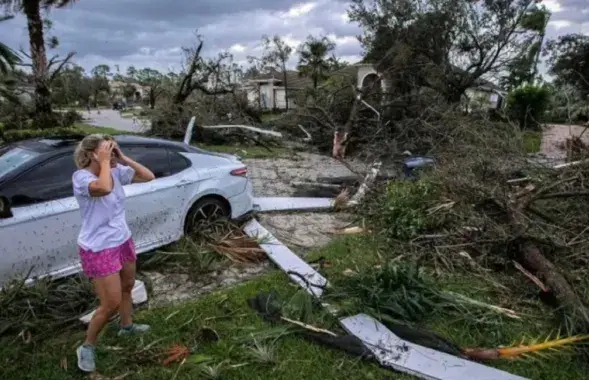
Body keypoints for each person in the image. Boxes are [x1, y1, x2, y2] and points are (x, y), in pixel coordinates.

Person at [72, 134, 155, 372]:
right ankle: (87, 346)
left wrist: (122, 157)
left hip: (122, 239)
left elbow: (148, 176)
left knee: (128, 286)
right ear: (91, 155)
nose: (111, 152)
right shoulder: (81, 178)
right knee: (110, 303)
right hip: (99, 247)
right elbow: (104, 188)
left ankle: (126, 326)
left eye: (112, 149)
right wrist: (106, 162)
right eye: (106, 150)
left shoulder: (116, 171)